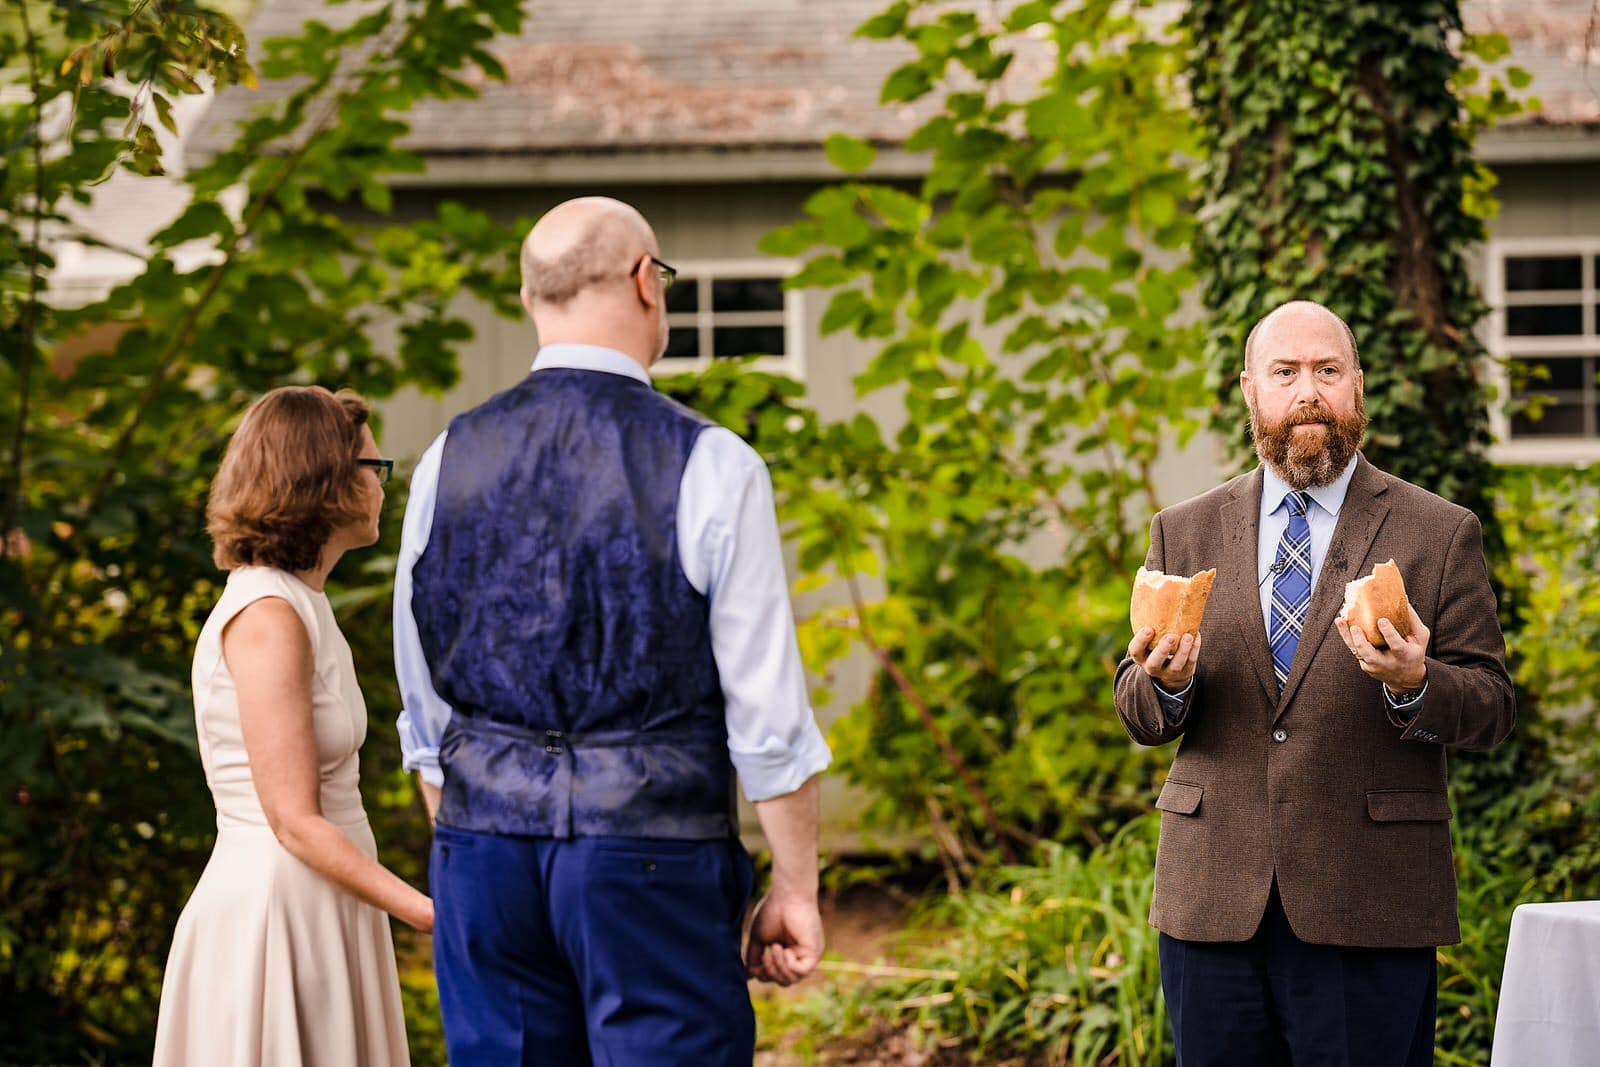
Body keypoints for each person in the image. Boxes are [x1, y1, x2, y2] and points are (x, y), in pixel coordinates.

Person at [394, 195, 832, 1065]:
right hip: (650, 852)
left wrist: (470, 838)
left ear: (530, 300)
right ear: (645, 281)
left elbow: (423, 699)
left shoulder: (449, 455)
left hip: (484, 847)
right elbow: (767, 714)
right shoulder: (713, 463)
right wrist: (795, 884)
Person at [1112, 300, 1516, 1066]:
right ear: (1248, 391)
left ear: (1357, 388)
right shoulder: (1182, 529)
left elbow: (1492, 706)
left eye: (1328, 372)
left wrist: (1415, 682)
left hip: (1368, 900)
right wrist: (1166, 686)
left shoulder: (1438, 531)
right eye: (1286, 372)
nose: (1308, 392)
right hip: (1213, 906)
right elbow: (1138, 706)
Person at [155, 386, 430, 1066]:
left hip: (325, 903)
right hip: (276, 918)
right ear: (325, 482)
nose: (383, 485)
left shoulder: (303, 602)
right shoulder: (267, 615)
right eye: (373, 469)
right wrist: (430, 914)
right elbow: (293, 819)